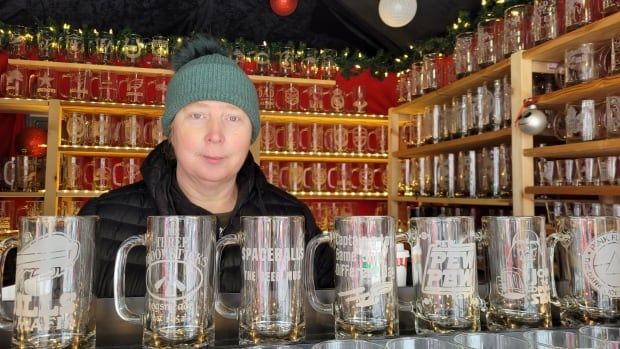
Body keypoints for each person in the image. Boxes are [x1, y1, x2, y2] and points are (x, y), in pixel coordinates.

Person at [79, 35, 333, 298]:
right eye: (197, 115)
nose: (215, 134)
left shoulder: (295, 221)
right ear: (171, 131)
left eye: (233, 118)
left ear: (251, 135)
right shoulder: (99, 221)